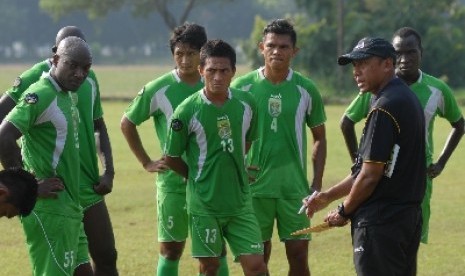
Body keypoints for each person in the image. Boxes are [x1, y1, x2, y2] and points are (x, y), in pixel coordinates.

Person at [0, 26, 118, 275]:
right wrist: (28, 188)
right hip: (51, 207)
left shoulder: (68, 94)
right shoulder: (41, 92)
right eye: (72, 65)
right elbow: (4, 135)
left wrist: (107, 170)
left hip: (72, 201)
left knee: (91, 265)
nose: (79, 74)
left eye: (85, 68)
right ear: (55, 58)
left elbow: (97, 127)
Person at [305, 37, 426, 275]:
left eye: (364, 63)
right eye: (354, 66)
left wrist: (343, 211)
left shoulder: (384, 106)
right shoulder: (403, 97)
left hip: (381, 222)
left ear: (387, 64)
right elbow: (367, 168)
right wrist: (327, 196)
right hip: (405, 219)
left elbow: (371, 176)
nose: (357, 72)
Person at [121, 23, 229, 276]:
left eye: (191, 53)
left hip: (211, 183)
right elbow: (127, 123)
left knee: (215, 250)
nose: (184, 60)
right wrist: (146, 162)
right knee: (171, 250)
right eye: (179, 53)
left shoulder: (217, 85)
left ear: (202, 54)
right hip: (173, 184)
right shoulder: (159, 89)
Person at [340, 27, 464, 244]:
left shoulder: (437, 89)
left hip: (418, 177)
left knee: (409, 242)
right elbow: (346, 123)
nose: (405, 59)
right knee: (380, 239)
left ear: (421, 52)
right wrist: (358, 166)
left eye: (411, 52)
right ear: (391, 57)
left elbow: (459, 125)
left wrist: (441, 163)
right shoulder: (377, 88)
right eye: (399, 53)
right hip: (380, 176)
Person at [231, 18, 326, 275]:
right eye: (271, 45)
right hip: (253, 189)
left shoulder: (306, 89)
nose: (277, 51)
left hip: (294, 190)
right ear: (261, 47)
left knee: (298, 258)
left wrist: (316, 184)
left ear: (294, 51)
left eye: (284, 47)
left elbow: (319, 137)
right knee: (257, 261)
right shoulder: (241, 88)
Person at [164, 39, 267, 276]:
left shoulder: (247, 103)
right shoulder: (186, 111)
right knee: (210, 267)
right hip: (204, 205)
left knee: (256, 266)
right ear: (201, 71)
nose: (218, 77)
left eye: (224, 71)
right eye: (211, 70)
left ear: (233, 72)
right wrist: (196, 177)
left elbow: (247, 142)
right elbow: (171, 156)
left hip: (239, 203)